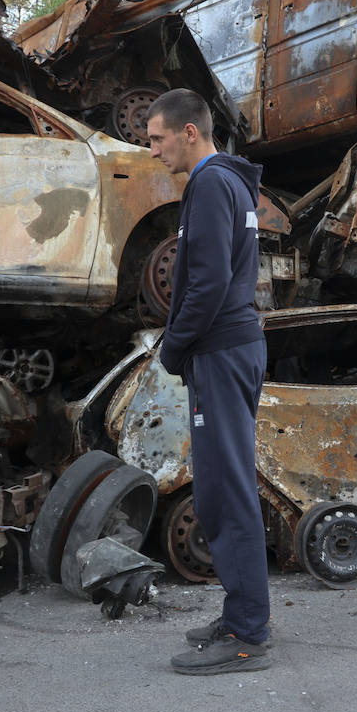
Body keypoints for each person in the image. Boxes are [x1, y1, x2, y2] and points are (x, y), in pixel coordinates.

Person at [145, 89, 271, 676]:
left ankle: (247, 634)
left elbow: (210, 279)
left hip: (221, 350)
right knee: (223, 487)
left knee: (226, 491)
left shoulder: (210, 182)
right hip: (231, 348)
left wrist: (173, 349)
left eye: (156, 138)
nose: (152, 151)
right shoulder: (233, 183)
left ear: (189, 132)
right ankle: (241, 613)